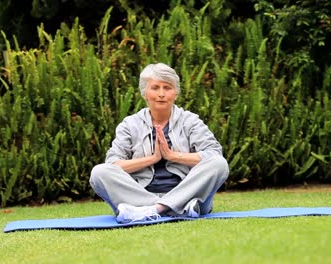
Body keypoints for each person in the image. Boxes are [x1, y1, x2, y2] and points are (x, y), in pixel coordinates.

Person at [89, 63, 229, 223]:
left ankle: (154, 210)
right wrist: (153, 158)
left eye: (167, 88)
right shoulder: (129, 124)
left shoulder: (191, 121)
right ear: (145, 93)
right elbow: (114, 164)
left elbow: (213, 153)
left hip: (189, 194)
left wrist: (172, 155)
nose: (161, 94)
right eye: (155, 88)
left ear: (175, 93)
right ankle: (175, 208)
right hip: (140, 195)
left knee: (219, 163)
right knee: (99, 172)